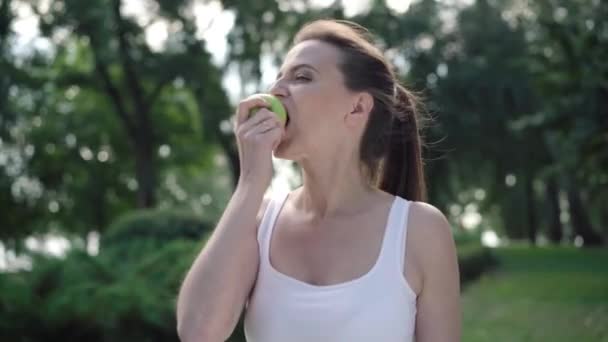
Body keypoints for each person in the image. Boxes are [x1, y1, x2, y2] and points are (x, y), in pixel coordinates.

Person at [176, 19, 461, 342]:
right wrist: (251, 182)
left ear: (356, 108)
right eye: (278, 77)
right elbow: (197, 332)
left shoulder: (420, 230)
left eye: (302, 76)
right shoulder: (258, 222)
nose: (276, 90)